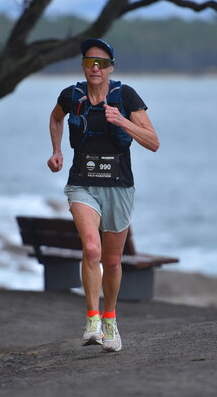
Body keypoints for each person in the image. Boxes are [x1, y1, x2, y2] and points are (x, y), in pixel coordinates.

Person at [47, 38, 159, 352]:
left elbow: (153, 142)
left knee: (111, 261)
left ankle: (110, 318)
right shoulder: (71, 96)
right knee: (92, 249)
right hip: (82, 184)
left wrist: (122, 120)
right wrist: (56, 151)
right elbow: (55, 118)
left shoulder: (126, 96)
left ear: (111, 68)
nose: (95, 67)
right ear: (83, 66)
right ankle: (92, 320)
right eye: (89, 62)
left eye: (102, 63)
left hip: (119, 187)